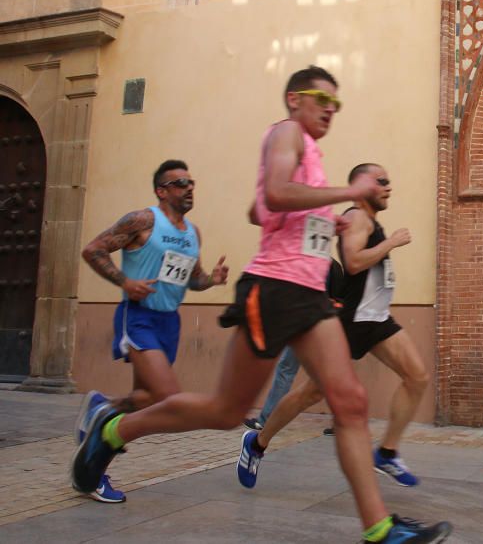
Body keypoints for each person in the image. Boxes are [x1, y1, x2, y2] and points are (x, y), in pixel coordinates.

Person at [72, 66, 451, 543]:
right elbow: (274, 193)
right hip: (273, 290)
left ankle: (379, 529)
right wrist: (349, 193)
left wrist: (320, 216)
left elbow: (260, 207)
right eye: (321, 99)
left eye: (337, 103)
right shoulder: (287, 131)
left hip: (310, 294)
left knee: (350, 402)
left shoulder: (307, 150)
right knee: (226, 411)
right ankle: (112, 432)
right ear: (295, 99)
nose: (330, 109)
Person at [238, 163, 429, 489]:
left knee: (417, 377)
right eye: (381, 181)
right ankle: (256, 443)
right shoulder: (356, 217)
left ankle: (386, 452)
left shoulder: (368, 221)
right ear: (361, 185)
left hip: (377, 319)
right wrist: (392, 243)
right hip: (351, 322)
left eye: (389, 181)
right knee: (308, 394)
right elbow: (353, 262)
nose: (388, 187)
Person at [76, 159, 228, 502]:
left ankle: (102, 407)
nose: (189, 188)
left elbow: (193, 278)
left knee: (145, 399)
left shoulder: (193, 233)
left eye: (191, 182)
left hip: (169, 322)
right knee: (168, 397)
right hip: (139, 316)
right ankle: (94, 460)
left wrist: (212, 281)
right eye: (180, 183)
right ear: (162, 191)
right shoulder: (143, 220)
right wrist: (125, 281)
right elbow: (93, 250)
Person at [243, 259, 344, 434]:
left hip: (304, 326)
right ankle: (342, 423)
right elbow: (339, 299)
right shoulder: (333, 266)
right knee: (328, 375)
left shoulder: (302, 262)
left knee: (287, 370)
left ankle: (266, 420)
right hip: (322, 327)